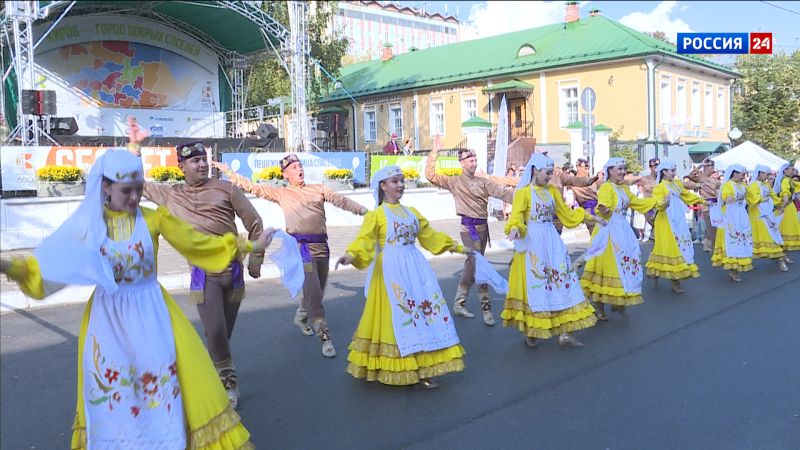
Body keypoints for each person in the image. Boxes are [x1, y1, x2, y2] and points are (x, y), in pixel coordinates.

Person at [0, 150, 272, 448]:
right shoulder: (89, 225)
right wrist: (11, 266)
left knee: (169, 384)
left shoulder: (155, 219)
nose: (134, 198)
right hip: (107, 322)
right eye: (126, 191)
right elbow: (53, 267)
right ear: (106, 187)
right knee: (116, 392)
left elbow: (198, 244)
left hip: (153, 314)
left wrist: (250, 245)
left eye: (138, 189)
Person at [138, 142, 265, 409]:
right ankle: (228, 383)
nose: (202, 164)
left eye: (204, 159)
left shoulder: (226, 188)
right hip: (203, 274)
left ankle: (211, 373)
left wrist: (255, 260)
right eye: (194, 161)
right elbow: (137, 182)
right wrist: (134, 148)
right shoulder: (170, 195)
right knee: (215, 329)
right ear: (181, 167)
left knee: (222, 334)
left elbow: (254, 222)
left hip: (233, 271)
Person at [212, 155, 368, 358]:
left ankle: (302, 315)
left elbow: (341, 200)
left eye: (300, 166)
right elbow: (252, 187)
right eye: (294, 168)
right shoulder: (281, 193)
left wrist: (362, 210)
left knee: (317, 291)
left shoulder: (318, 189)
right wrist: (229, 172)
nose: (299, 170)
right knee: (314, 293)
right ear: (285, 174)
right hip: (301, 251)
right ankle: (325, 337)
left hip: (322, 246)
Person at [335, 165, 470, 389]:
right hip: (390, 272)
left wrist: (457, 247)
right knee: (396, 317)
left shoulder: (412, 212)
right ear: (383, 186)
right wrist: (351, 255)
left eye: (401, 181)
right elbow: (364, 240)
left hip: (415, 269)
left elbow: (430, 236)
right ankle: (397, 366)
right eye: (395, 181)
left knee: (422, 314)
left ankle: (424, 368)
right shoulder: (376, 215)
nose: (400, 185)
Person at [503, 154, 604, 348]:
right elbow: (516, 217)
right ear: (535, 171)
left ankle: (566, 332)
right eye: (547, 173)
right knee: (536, 286)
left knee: (563, 281)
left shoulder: (552, 191)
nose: (550, 177)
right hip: (533, 243)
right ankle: (532, 329)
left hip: (552, 240)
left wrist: (592, 218)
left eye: (551, 173)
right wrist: (515, 228)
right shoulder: (523, 193)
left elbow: (566, 214)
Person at [425, 135, 514, 326]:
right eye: (471, 160)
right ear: (462, 163)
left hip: (484, 230)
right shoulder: (454, 181)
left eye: (475, 160)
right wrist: (435, 152)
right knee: (477, 264)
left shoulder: (484, 181)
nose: (474, 163)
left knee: (472, 265)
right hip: (468, 230)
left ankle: (459, 303)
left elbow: (503, 193)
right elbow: (430, 176)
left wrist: (525, 197)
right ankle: (486, 308)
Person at [580, 158, 658, 320]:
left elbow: (638, 203)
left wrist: (657, 201)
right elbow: (603, 207)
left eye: (624, 169)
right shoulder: (607, 187)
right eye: (619, 169)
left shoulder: (623, 189)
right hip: (608, 231)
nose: (623, 172)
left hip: (622, 230)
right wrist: (604, 209)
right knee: (607, 267)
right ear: (610, 171)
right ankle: (598, 304)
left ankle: (618, 299)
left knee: (626, 262)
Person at [644, 160, 706, 294]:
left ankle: (659, 273)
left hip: (678, 218)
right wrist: (664, 203)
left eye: (674, 170)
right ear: (664, 172)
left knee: (677, 246)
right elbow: (658, 204)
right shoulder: (659, 188)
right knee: (669, 247)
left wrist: (701, 200)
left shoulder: (677, 184)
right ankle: (674, 280)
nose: (674, 173)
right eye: (671, 170)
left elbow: (687, 195)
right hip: (666, 220)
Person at [710, 164, 753, 282]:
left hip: (741, 214)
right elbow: (727, 198)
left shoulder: (744, 185)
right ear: (734, 173)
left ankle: (737, 266)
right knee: (731, 240)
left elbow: (752, 197)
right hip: (730, 214)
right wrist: (733, 198)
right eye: (742, 174)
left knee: (742, 238)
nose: (744, 176)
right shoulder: (728, 185)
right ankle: (733, 270)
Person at [747, 165, 789, 272]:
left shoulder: (766, 185)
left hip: (767, 214)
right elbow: (751, 199)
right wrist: (761, 199)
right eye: (766, 173)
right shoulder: (753, 186)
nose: (767, 176)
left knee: (773, 235)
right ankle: (747, 262)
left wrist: (781, 202)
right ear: (760, 173)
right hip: (758, 215)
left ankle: (780, 258)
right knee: (764, 236)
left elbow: (773, 196)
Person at [685, 157, 722, 252]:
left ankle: (710, 243)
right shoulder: (700, 177)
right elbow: (690, 176)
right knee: (711, 227)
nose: (713, 169)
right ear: (706, 167)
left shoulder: (714, 180)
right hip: (706, 205)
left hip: (716, 205)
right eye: (711, 166)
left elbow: (722, 188)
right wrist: (701, 165)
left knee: (717, 227)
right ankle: (712, 247)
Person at [774, 163, 800, 262]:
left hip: (791, 208)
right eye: (790, 169)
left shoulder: (790, 180)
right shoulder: (785, 180)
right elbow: (785, 193)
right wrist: (783, 206)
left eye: (793, 169)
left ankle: (784, 255)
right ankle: (781, 257)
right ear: (784, 170)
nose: (792, 171)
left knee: (787, 231)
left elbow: (796, 193)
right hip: (787, 208)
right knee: (784, 231)